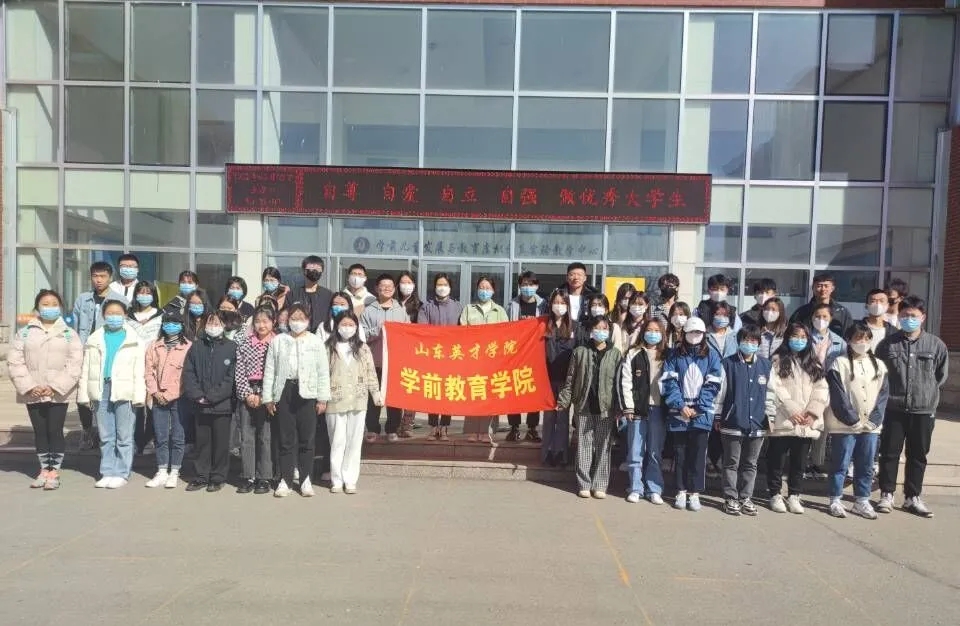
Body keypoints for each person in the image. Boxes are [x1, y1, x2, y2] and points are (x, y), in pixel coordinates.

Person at [875, 296, 948, 518]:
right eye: (905, 315)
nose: (909, 319)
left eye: (913, 316)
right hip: (894, 408)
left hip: (923, 409)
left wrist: (925, 393)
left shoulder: (936, 345)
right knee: (889, 453)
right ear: (899, 316)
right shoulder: (887, 344)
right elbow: (879, 374)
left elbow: (940, 376)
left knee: (918, 454)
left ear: (923, 317)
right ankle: (887, 494)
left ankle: (912, 497)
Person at [7, 290, 83, 490]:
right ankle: (43, 470)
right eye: (45, 304)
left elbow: (75, 364)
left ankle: (54, 472)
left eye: (54, 304)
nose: (50, 308)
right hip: (33, 391)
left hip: (58, 393)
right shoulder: (24, 333)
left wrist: (55, 386)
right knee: (40, 431)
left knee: (54, 430)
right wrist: (29, 386)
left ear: (61, 307)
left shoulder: (69, 334)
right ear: (37, 308)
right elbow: (15, 361)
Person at [262, 304, 331, 498]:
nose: (297, 322)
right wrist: (268, 398)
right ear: (287, 320)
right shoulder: (279, 341)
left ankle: (305, 479)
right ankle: (285, 479)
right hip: (285, 390)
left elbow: (322, 371)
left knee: (307, 439)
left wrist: (323, 398)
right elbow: (270, 370)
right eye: (294, 318)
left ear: (308, 320)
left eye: (301, 318)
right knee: (286, 439)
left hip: (308, 393)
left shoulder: (315, 341)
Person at [78, 299, 146, 489]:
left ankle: (122, 472)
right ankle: (107, 471)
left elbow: (139, 371)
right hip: (101, 389)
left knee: (124, 435)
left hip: (125, 389)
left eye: (118, 313)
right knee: (106, 435)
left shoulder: (134, 340)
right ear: (103, 316)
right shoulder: (94, 338)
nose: (114, 317)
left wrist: (139, 395)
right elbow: (86, 369)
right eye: (110, 313)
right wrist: (83, 394)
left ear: (125, 315)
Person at [825, 323, 889, 519]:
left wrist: (874, 420)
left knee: (866, 464)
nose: (863, 342)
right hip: (844, 426)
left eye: (867, 338)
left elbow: (883, 395)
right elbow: (838, 394)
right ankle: (835, 499)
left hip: (870, 427)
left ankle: (862, 500)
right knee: (840, 464)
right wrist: (851, 419)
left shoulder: (879, 365)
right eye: (858, 338)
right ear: (849, 340)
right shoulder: (839, 363)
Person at [765, 323, 829, 514]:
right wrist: (791, 408)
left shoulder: (814, 363)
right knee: (776, 460)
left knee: (799, 462)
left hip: (805, 423)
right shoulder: (777, 360)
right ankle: (775, 494)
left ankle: (794, 495)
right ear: (787, 338)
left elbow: (821, 389)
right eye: (795, 336)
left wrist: (813, 412)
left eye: (803, 337)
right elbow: (774, 387)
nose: (799, 340)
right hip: (784, 420)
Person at [660, 317, 723, 512]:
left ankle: (695, 493)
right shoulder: (674, 355)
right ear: (684, 334)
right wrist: (680, 406)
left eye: (698, 333)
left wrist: (699, 407)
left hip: (701, 414)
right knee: (680, 454)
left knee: (698, 455)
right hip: (679, 413)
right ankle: (680, 490)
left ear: (704, 334)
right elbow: (668, 381)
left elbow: (714, 383)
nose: (695, 336)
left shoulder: (712, 355)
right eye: (691, 332)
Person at [557, 315, 621, 499]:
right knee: (584, 446)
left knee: (603, 447)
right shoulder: (580, 352)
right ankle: (584, 483)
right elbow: (570, 379)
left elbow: (619, 383)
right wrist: (564, 400)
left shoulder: (615, 354)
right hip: (584, 405)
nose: (601, 331)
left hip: (606, 408)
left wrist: (619, 407)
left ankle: (600, 484)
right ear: (591, 331)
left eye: (604, 328)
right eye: (597, 328)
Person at [717, 326, 772, 516]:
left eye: (754, 341)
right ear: (739, 341)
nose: (750, 344)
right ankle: (730, 497)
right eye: (746, 340)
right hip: (733, 421)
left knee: (751, 463)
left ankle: (746, 497)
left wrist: (770, 416)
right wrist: (718, 415)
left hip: (758, 422)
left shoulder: (766, 365)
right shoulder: (728, 363)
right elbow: (720, 392)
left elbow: (771, 394)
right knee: (731, 462)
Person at [71, 261, 125, 450]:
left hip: (108, 353)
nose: (98, 280)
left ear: (110, 278)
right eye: (95, 276)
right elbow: (76, 326)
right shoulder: (83, 299)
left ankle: (106, 433)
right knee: (83, 394)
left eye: (102, 276)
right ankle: (87, 431)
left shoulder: (119, 300)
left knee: (106, 395)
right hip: (86, 352)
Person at [325, 311, 381, 494]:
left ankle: (350, 479)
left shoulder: (363, 348)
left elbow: (370, 372)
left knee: (354, 441)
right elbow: (322, 373)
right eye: (344, 324)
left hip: (358, 399)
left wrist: (376, 393)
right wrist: (321, 397)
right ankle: (336, 479)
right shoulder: (328, 347)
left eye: (351, 325)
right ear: (337, 326)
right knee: (337, 441)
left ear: (356, 327)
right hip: (335, 400)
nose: (347, 328)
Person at [181, 312, 237, 493]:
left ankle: (218, 477)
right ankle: (201, 476)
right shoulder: (197, 346)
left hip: (222, 405)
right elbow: (188, 373)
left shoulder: (232, 347)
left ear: (224, 325)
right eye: (210, 323)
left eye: (217, 323)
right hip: (200, 404)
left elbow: (231, 378)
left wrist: (212, 396)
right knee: (202, 442)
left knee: (221, 444)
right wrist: (198, 395)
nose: (213, 326)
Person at [615, 318, 667, 504]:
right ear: (643, 332)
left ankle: (654, 488)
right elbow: (625, 381)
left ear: (662, 334)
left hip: (659, 409)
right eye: (649, 330)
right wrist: (628, 406)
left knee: (654, 451)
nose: (653, 334)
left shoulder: (667, 355)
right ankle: (636, 487)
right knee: (635, 450)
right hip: (637, 409)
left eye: (657, 331)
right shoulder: (633, 353)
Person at [144, 311, 192, 490]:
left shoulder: (188, 346)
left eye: (175, 322)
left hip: (179, 398)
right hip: (158, 397)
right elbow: (148, 372)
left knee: (178, 436)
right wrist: (154, 392)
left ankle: (175, 471)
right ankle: (162, 470)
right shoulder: (154, 346)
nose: (171, 326)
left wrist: (170, 394)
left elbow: (186, 375)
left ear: (181, 325)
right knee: (161, 435)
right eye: (167, 322)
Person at [360, 274, 410, 442]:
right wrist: (378, 329)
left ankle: (392, 429)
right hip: (375, 362)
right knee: (373, 398)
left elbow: (408, 333)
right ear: (376, 288)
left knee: (394, 398)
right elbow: (362, 335)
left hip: (395, 362)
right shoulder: (368, 310)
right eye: (383, 285)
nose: (387, 288)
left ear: (394, 289)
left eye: (390, 286)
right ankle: (373, 429)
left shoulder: (401, 310)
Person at [234, 307, 277, 495]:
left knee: (265, 437)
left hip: (267, 395)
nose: (261, 325)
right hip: (248, 393)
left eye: (265, 321)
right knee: (247, 436)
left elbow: (277, 373)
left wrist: (264, 396)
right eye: (258, 321)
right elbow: (239, 371)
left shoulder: (277, 343)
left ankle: (264, 476)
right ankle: (248, 475)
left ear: (273, 322)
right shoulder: (244, 343)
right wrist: (247, 394)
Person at [460, 276, 509, 443]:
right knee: (474, 394)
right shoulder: (468, 309)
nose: (484, 291)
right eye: (481, 287)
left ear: (493, 291)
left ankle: (487, 431)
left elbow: (506, 334)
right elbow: (462, 332)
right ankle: (473, 431)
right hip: (473, 360)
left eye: (487, 288)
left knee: (490, 396)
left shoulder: (500, 311)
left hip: (492, 361)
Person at [420, 273, 464, 439]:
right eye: (439, 284)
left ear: (450, 287)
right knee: (433, 390)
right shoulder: (426, 307)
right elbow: (422, 330)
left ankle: (445, 426)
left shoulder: (458, 307)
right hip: (433, 356)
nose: (442, 287)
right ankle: (433, 426)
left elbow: (463, 331)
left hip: (451, 357)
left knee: (448, 391)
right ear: (434, 287)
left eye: (445, 284)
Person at [506, 270, 547, 442]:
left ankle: (532, 428)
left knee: (533, 392)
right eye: (524, 284)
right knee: (513, 392)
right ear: (519, 286)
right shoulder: (512, 305)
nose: (527, 287)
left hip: (535, 355)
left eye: (531, 284)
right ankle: (514, 427)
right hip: (516, 355)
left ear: (536, 286)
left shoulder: (543, 304)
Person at [542, 290, 578, 466]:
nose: (559, 306)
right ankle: (547, 452)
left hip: (566, 380)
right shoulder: (543, 325)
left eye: (562, 303)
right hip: (547, 379)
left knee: (563, 418)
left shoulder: (575, 327)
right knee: (549, 417)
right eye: (556, 302)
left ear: (568, 306)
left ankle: (561, 453)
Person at [128, 281, 162, 456]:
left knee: (152, 405)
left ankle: (150, 439)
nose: (144, 295)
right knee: (135, 404)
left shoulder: (160, 315)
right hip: (132, 366)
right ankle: (135, 440)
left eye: (148, 292)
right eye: (141, 292)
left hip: (154, 365)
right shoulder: (128, 316)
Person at [789, 273, 854, 338]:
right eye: (819, 286)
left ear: (832, 288)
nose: (823, 289)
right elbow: (791, 333)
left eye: (826, 286)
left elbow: (849, 336)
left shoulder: (842, 312)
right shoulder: (802, 312)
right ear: (813, 288)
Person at [397, 271, 421, 438]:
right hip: (396, 351)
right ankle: (395, 423)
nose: (406, 286)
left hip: (413, 353)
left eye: (409, 282)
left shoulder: (420, 306)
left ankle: (407, 423)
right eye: (403, 282)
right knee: (397, 388)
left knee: (411, 387)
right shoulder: (392, 303)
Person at [289, 255, 333, 332]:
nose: (314, 271)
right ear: (304, 271)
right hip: (298, 333)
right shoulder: (293, 294)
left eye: (318, 269)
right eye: (311, 268)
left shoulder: (328, 295)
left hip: (321, 335)